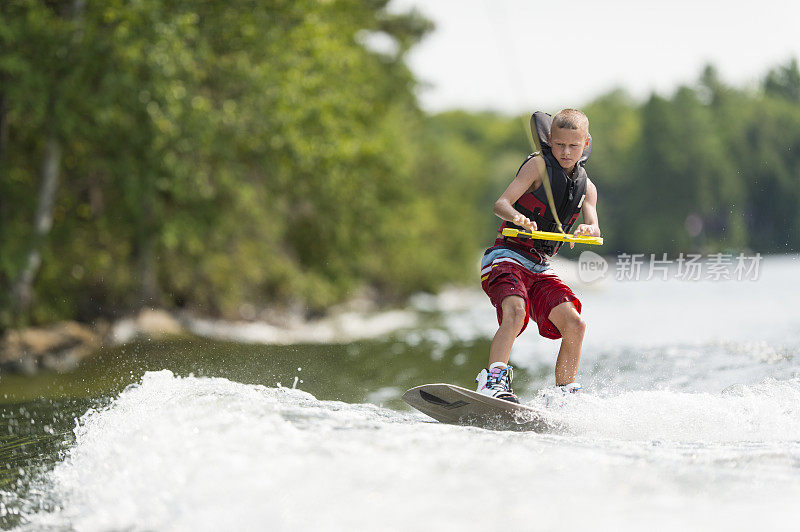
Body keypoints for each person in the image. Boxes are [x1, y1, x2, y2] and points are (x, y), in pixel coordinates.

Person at [475, 109, 601, 403]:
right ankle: (492, 380)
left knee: (575, 324)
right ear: (550, 140)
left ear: (586, 143)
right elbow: (501, 204)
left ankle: (564, 394)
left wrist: (587, 228)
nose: (565, 152)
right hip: (505, 257)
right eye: (559, 145)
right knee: (517, 313)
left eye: (573, 145)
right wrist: (518, 218)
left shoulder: (587, 187)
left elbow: (594, 226)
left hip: (540, 267)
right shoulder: (538, 167)